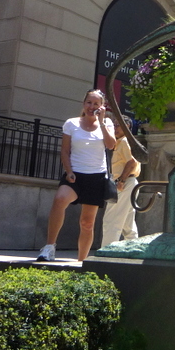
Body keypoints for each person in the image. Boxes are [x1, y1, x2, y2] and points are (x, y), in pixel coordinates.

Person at [38, 89, 116, 262]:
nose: (92, 107)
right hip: (75, 175)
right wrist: (69, 171)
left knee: (87, 223)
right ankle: (49, 247)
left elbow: (111, 145)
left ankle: (81, 262)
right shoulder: (71, 123)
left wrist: (102, 122)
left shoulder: (107, 123)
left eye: (96, 104)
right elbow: (65, 151)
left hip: (96, 177)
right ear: (83, 103)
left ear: (101, 106)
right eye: (89, 102)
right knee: (60, 199)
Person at [101, 114, 141, 247]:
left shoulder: (124, 141)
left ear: (127, 126)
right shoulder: (123, 141)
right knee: (127, 224)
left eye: (118, 125)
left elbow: (132, 162)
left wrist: (121, 181)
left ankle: (106, 252)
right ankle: (134, 249)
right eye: (114, 125)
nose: (115, 128)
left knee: (111, 220)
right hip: (130, 183)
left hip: (124, 184)